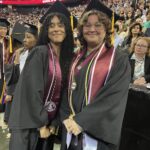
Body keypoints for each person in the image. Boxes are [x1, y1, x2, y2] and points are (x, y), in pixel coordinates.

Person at [59, 1, 131, 150]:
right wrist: (66, 117)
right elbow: (65, 88)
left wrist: (81, 121)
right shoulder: (75, 57)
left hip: (97, 136)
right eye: (87, 25)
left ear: (106, 28)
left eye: (98, 25)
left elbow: (113, 96)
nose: (92, 29)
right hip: (71, 128)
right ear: (81, 29)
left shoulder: (118, 59)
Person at [8, 11, 74, 150]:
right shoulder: (40, 52)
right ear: (46, 31)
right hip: (29, 123)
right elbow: (32, 90)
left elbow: (63, 93)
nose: (56, 29)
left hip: (46, 124)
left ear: (67, 29)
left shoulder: (66, 58)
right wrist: (41, 124)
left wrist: (54, 123)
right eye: (51, 26)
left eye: (61, 25)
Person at [4, 22, 38, 124]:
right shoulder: (20, 53)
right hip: (18, 94)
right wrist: (9, 92)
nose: (24, 40)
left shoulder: (40, 55)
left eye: (28, 37)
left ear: (37, 39)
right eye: (24, 37)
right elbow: (13, 75)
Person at [0, 18, 10, 127]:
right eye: (1, 29)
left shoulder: (8, 42)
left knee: (4, 88)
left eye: (4, 29)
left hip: (5, 71)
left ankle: (2, 108)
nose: (3, 31)